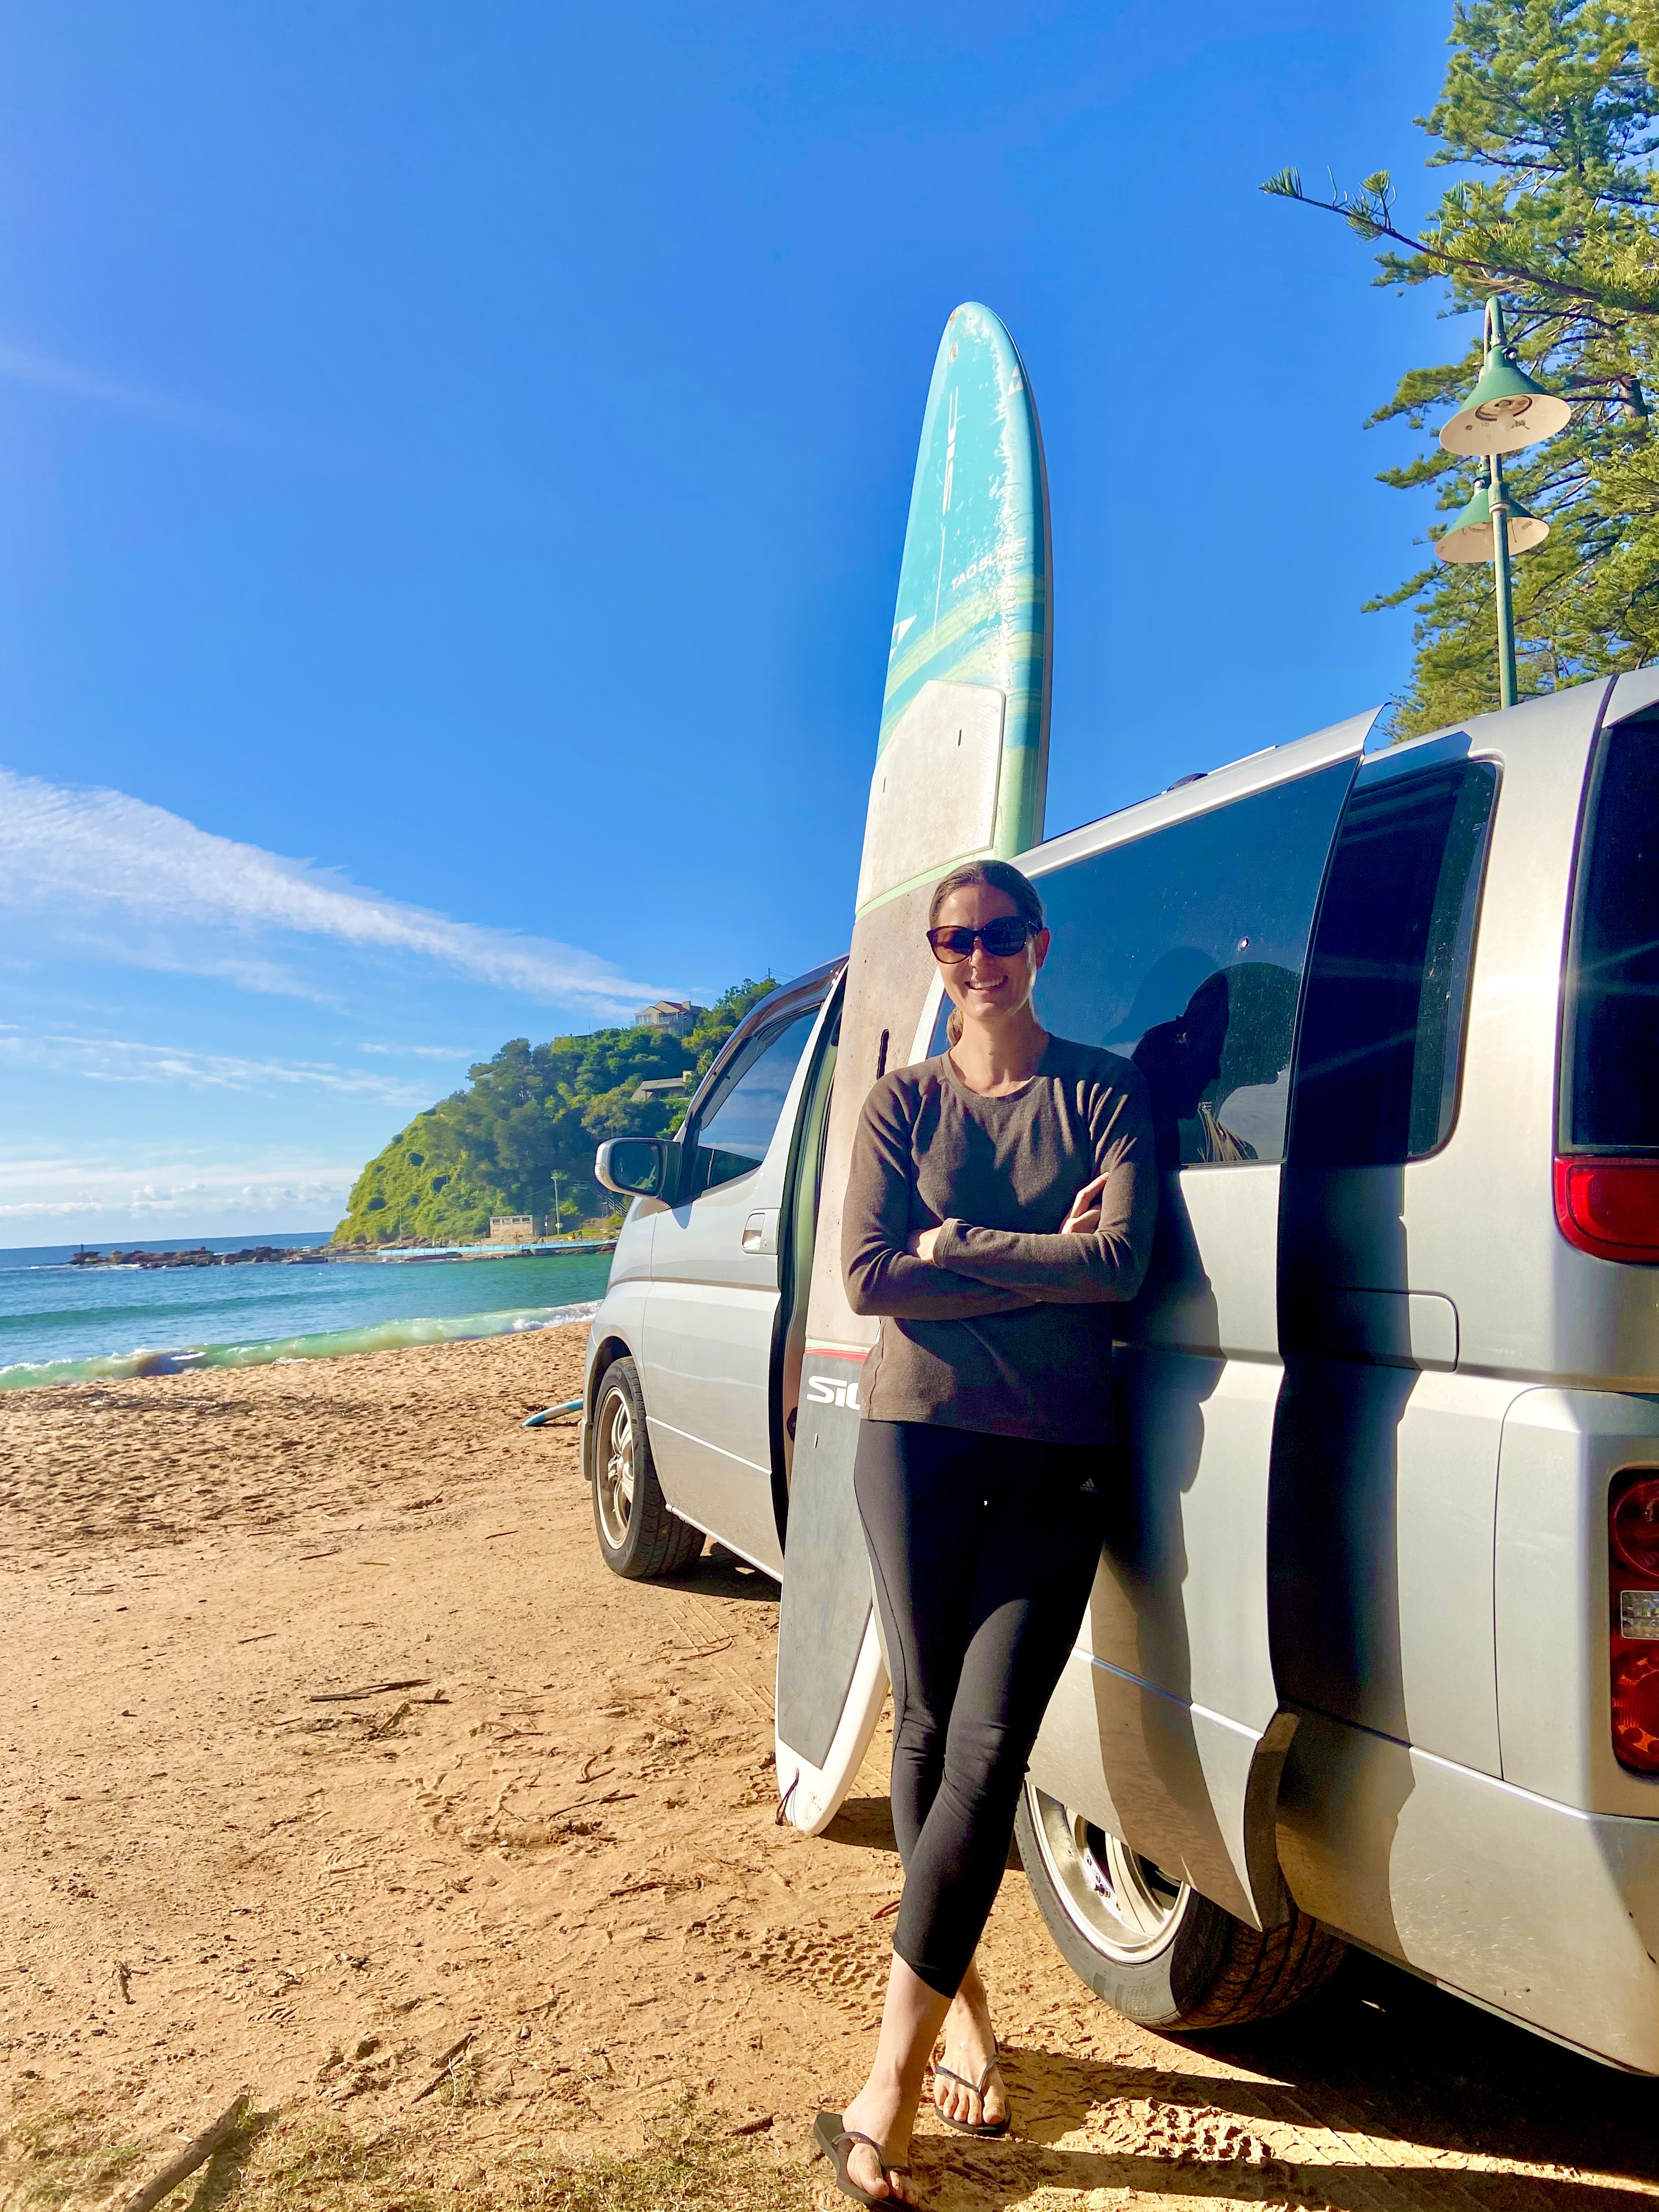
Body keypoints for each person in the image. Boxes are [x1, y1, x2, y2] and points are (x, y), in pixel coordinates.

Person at [811, 859, 1156, 2208]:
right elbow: (870, 1276)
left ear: (1038, 944)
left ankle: (881, 2080)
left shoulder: (1102, 1087)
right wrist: (1028, 1255)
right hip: (918, 1442)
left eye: (1000, 936)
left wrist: (959, 1244)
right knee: (923, 1727)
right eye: (955, 940)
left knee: (993, 1746)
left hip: (1061, 1451)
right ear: (938, 955)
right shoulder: (903, 1100)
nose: (978, 957)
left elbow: (1121, 1266)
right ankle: (957, 2018)